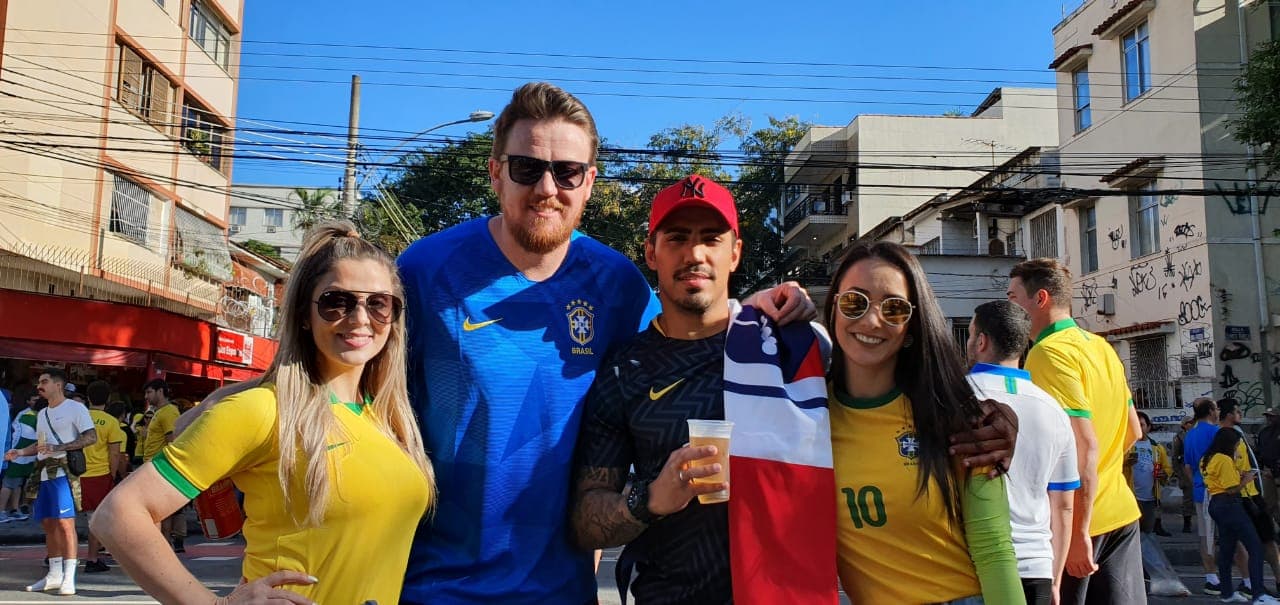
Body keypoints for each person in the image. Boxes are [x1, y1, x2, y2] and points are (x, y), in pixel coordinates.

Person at [395, 82, 815, 604]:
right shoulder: (423, 271)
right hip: (438, 588)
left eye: (567, 171)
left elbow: (691, 327)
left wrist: (756, 312)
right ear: (496, 171)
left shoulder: (615, 283)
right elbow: (353, 398)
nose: (548, 187)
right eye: (527, 167)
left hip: (563, 590)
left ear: (589, 182)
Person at [91, 221, 435, 604]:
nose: (358, 318)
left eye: (378, 303)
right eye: (336, 301)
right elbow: (117, 515)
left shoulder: (389, 419)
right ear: (305, 314)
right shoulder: (262, 410)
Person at [825, 241, 1022, 603]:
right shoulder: (807, 416)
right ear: (834, 306)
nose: (871, 320)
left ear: (912, 325)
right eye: (855, 301)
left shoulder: (962, 420)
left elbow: (994, 549)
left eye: (894, 308)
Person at [1008, 258, 1145, 604]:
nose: (1008, 306)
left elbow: (1083, 445)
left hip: (1078, 525)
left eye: (1012, 297)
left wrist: (1079, 530)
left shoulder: (1047, 354)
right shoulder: (1102, 347)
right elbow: (1133, 431)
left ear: (1040, 299)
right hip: (1120, 511)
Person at [965, 300, 1079, 604]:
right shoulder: (1054, 409)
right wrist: (1055, 579)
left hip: (970, 569)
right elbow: (1064, 506)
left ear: (981, 341)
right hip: (1038, 566)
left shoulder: (959, 398)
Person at [4, 368, 97, 595]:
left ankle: (69, 576)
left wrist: (60, 448)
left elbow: (91, 436)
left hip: (64, 472)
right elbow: (40, 445)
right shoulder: (42, 413)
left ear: (58, 385)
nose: (39, 385)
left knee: (66, 523)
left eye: (44, 381)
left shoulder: (76, 408)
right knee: (48, 524)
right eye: (39, 382)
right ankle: (54, 575)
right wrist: (20, 452)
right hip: (43, 473)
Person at [1201, 427, 1280, 604]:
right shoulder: (1224, 460)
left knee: (1227, 550)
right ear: (1229, 444)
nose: (1237, 448)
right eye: (1236, 445)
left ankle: (1227, 593)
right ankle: (1259, 594)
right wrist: (1246, 479)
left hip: (1216, 504)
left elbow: (1219, 480)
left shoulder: (1207, 458)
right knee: (1256, 548)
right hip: (1230, 505)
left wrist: (1238, 473)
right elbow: (1231, 489)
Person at [1220, 397, 1280, 597]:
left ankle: (1263, 585)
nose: (1240, 415)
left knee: (1266, 539)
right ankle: (1254, 589)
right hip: (1241, 495)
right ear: (1227, 414)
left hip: (1253, 493)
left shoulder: (1237, 433)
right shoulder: (1224, 436)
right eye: (1237, 412)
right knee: (1249, 545)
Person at [138, 379, 187, 552]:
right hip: (152, 465)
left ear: (160, 391)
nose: (146, 397)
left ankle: (164, 546)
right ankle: (162, 546)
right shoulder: (159, 412)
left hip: (160, 466)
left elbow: (171, 441)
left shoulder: (168, 412)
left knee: (162, 511)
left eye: (149, 392)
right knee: (158, 510)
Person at [80, 380, 124, 573]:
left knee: (66, 519)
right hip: (99, 475)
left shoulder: (78, 418)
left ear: (88, 398)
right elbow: (115, 454)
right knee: (95, 520)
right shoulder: (112, 422)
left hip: (75, 473)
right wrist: (112, 475)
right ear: (107, 399)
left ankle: (55, 556)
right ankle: (92, 558)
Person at [1127, 411, 1173, 535]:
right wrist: (1125, 463)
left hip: (1150, 498)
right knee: (1132, 534)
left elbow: (1167, 468)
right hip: (1131, 497)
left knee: (1148, 534)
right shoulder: (1126, 446)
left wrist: (1164, 474)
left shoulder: (1157, 448)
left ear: (1148, 427)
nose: (1138, 428)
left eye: (1141, 425)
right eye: (1134, 424)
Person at [0, 385, 38, 523]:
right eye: (35, 399)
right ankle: (1, 510)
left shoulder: (31, 414)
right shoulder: (28, 416)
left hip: (23, 457)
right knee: (8, 484)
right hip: (16, 456)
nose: (37, 401)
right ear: (28, 401)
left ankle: (14, 510)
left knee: (17, 484)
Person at [1173, 416, 1199, 533]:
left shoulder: (1197, 434)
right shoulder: (1179, 437)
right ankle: (1187, 523)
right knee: (1188, 498)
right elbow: (1175, 456)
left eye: (1192, 422)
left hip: (1197, 467)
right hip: (1185, 468)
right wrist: (1179, 473)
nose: (1191, 424)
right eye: (1188, 423)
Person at [1258, 409, 1280, 530]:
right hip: (1267, 472)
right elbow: (1260, 451)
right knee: (1268, 504)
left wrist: (1276, 470)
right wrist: (1263, 469)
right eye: (1268, 416)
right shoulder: (1264, 433)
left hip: (1277, 472)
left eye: (1272, 416)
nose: (1269, 419)